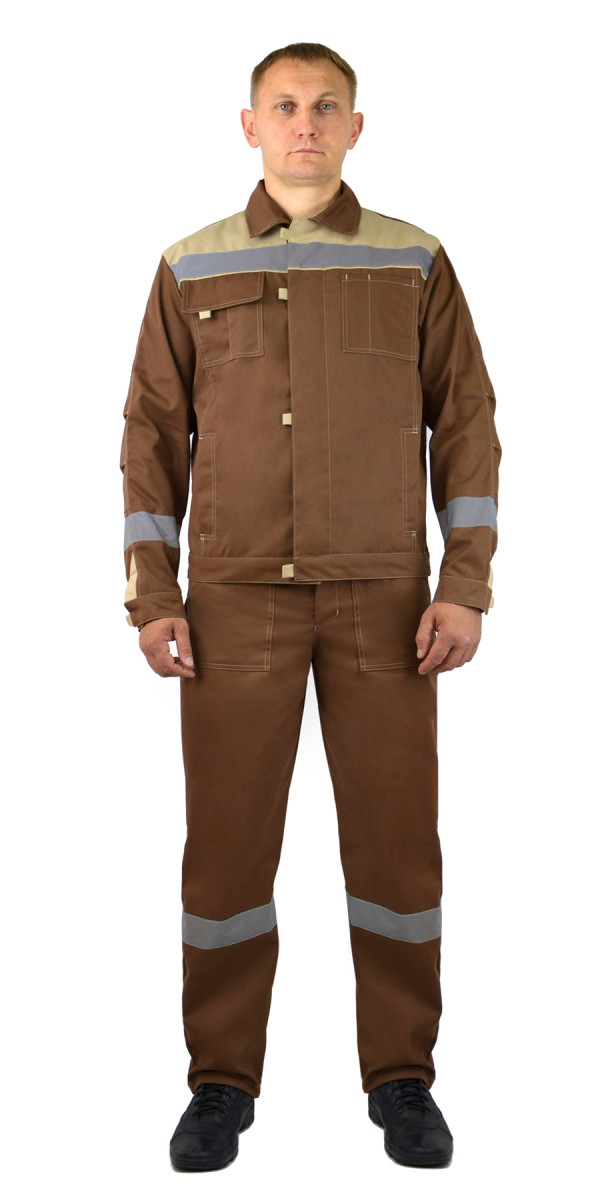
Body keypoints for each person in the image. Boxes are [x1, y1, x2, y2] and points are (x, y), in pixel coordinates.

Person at [120, 41, 500, 1173]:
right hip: (233, 605)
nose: (304, 124)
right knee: (227, 857)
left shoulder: (413, 260)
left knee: (397, 854)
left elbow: (467, 422)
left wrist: (465, 583)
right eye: (283, 106)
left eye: (326, 106)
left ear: (355, 126)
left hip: (386, 602)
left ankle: (403, 1079)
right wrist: (153, 593)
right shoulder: (189, 266)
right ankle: (219, 1084)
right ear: (250, 126)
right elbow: (149, 438)